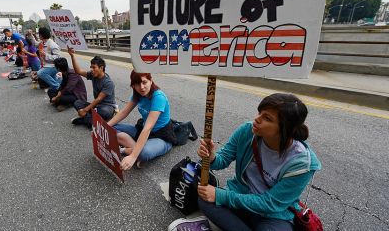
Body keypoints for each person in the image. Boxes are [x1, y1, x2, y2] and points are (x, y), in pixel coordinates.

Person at [171, 93, 321, 231]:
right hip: (240, 196)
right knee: (204, 198)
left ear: (286, 129)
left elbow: (271, 203)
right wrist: (211, 158)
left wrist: (220, 196)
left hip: (273, 215)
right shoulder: (247, 131)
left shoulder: (302, 163)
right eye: (260, 113)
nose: (257, 119)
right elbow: (222, 160)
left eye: (267, 118)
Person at [107, 71, 174, 170]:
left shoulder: (158, 97)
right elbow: (124, 112)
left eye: (144, 82)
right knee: (111, 128)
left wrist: (133, 156)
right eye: (137, 84)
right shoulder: (138, 95)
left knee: (143, 153)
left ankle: (126, 150)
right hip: (143, 130)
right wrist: (102, 127)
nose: (141, 87)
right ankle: (136, 147)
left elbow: (148, 127)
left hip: (161, 136)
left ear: (151, 81)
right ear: (133, 85)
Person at [67, 48, 116, 129]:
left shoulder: (108, 83)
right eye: (91, 67)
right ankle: (93, 121)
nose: (92, 70)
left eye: (94, 67)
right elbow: (78, 71)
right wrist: (72, 56)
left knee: (105, 112)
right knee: (77, 103)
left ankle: (85, 120)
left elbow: (99, 99)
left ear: (101, 68)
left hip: (107, 107)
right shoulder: (93, 75)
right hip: (97, 106)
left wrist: (85, 110)